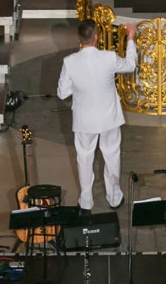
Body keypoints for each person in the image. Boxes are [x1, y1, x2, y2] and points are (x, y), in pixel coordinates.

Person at [57, 19, 138, 211]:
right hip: (109, 118)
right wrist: (131, 37)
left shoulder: (69, 62)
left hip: (84, 120)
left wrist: (80, 89)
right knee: (111, 156)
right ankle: (114, 197)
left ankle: (86, 201)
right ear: (96, 38)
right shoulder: (109, 57)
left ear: (80, 38)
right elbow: (130, 65)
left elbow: (62, 93)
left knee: (84, 158)